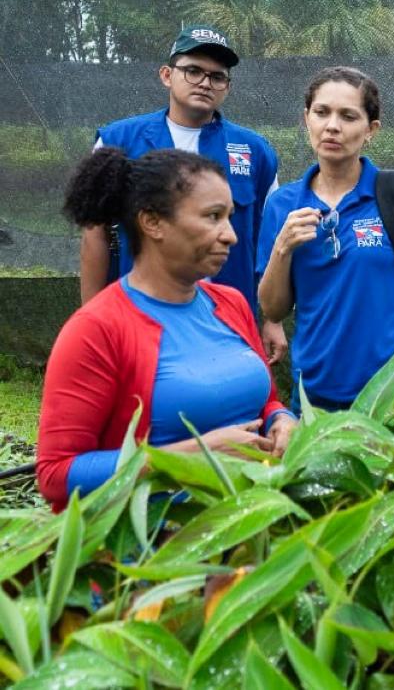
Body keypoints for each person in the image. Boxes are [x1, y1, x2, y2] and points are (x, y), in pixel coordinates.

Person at [38, 148, 294, 512]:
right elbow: (56, 475)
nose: (231, 236)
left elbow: (266, 400)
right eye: (213, 217)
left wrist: (282, 419)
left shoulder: (231, 303)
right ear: (153, 222)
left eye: (230, 217)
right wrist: (188, 455)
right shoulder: (97, 330)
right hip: (154, 553)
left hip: (249, 536)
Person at [82, 25, 286, 364]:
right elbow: (94, 236)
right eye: (193, 71)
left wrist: (272, 319)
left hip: (227, 321)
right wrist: (90, 321)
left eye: (217, 76)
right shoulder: (119, 141)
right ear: (166, 75)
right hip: (142, 317)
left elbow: (270, 243)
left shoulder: (254, 151)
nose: (205, 82)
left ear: (227, 87)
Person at [257, 67, 394, 407]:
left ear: (371, 129)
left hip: (392, 396)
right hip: (312, 400)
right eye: (322, 112)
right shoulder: (283, 205)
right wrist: (282, 248)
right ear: (307, 119)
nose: (332, 125)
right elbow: (273, 308)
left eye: (348, 116)